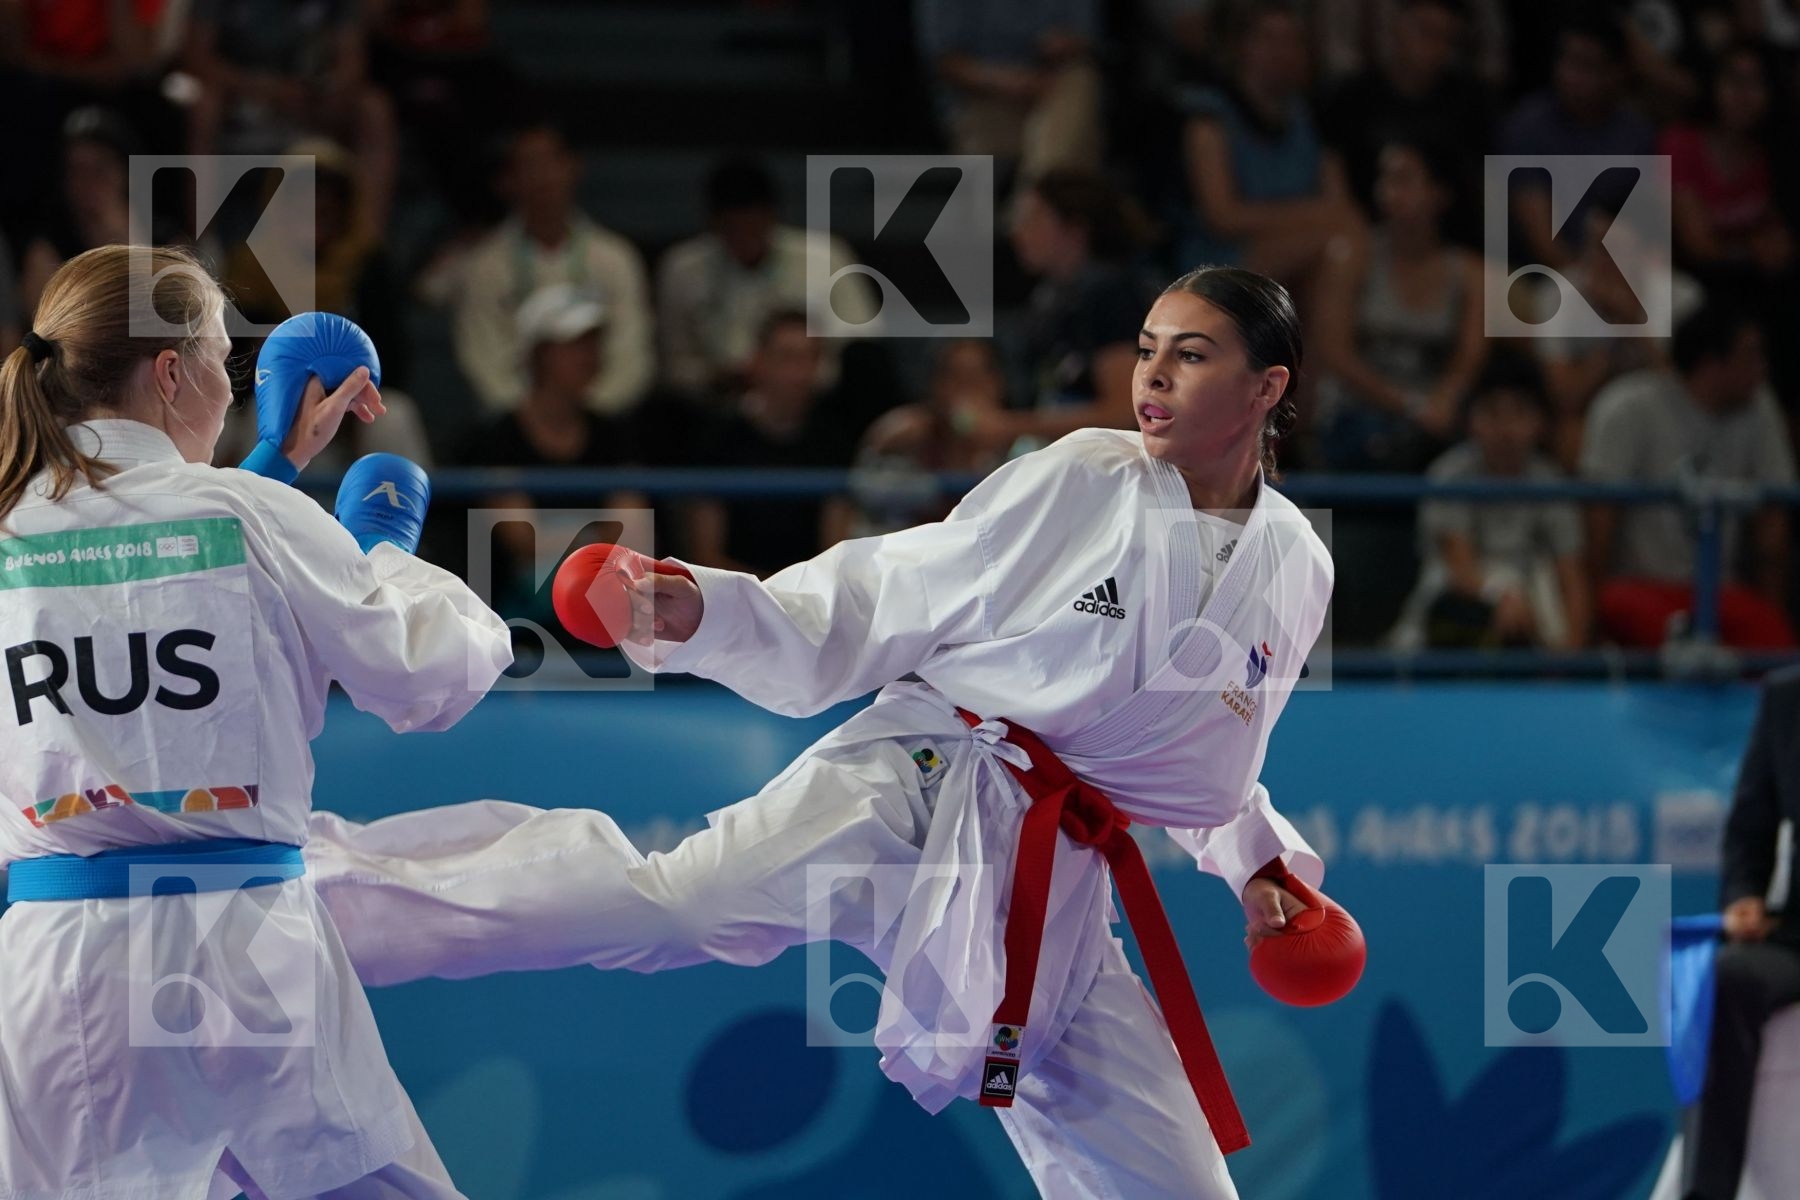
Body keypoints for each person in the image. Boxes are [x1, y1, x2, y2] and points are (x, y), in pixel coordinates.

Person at [300, 266, 1338, 1199]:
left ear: (1267, 388)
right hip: (916, 785)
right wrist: (698, 610)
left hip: (1051, 880)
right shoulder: (1086, 479)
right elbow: (896, 584)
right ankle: (326, 893)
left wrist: (1258, 865)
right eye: (1148, 348)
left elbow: (1199, 758)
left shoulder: (1295, 564)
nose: (1151, 376)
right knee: (677, 907)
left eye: (1190, 355)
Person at [0, 245, 512, 1197]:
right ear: (168, 372)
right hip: (242, 951)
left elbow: (145, 565)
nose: (233, 390)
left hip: (57, 965)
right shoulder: (246, 514)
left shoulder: (11, 526)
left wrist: (274, 469)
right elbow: (426, 679)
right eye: (222, 359)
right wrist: (384, 552)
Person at [1582, 302, 1796, 649]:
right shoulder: (1627, 408)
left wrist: (1773, 609)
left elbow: (1773, 532)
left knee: (1775, 644)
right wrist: (1590, 624)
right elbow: (1599, 526)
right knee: (1649, 626)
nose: (1763, 370)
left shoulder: (1759, 407)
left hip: (1720, 592)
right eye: (1751, 357)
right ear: (1711, 365)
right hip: (1642, 589)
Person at [1680, 663, 1800, 1200]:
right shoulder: (1786, 699)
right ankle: (1709, 1192)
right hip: (1794, 934)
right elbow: (1749, 829)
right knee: (1725, 979)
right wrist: (1743, 896)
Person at [449, 122, 656, 419]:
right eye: (529, 165)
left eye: (552, 161)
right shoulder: (484, 267)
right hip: (514, 427)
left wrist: (592, 414)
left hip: (604, 424)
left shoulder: (616, 258)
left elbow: (631, 356)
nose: (543, 176)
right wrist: (532, 419)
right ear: (507, 181)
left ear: (574, 167)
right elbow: (481, 361)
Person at [1389, 351, 1588, 651]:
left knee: (1545, 594)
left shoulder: (1552, 483)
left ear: (1540, 422)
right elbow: (1459, 564)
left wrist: (1571, 656)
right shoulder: (1449, 475)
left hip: (1530, 601)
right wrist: (1501, 596)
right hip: (1457, 599)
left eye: (1519, 412)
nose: (1506, 429)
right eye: (1493, 412)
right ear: (1471, 419)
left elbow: (1571, 575)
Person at [1312, 138, 1488, 472]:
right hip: (1355, 414)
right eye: (1386, 179)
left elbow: (1470, 354)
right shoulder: (1350, 257)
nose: (1388, 191)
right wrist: (1406, 404)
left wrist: (1444, 400)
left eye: (1404, 180)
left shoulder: (1468, 272)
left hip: (1432, 421)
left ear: (1439, 193)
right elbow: (1334, 351)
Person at [656, 156, 875, 407]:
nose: (745, 238)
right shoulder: (683, 269)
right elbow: (675, 364)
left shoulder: (825, 257)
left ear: (772, 216)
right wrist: (720, 377)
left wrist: (793, 374)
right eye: (733, 228)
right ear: (713, 224)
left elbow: (860, 344)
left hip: (816, 399)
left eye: (754, 225)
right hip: (721, 403)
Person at [1178, 0, 1363, 297]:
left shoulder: (1314, 116)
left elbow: (1339, 202)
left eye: (1292, 40)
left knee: (1346, 240)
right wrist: (1313, 215)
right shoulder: (1210, 120)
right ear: (1239, 47)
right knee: (1340, 240)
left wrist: (1317, 217)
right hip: (1223, 257)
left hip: (1300, 245)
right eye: (1268, 39)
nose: (1282, 51)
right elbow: (1223, 216)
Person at [987, 168, 1153, 457]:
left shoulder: (1110, 294)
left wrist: (1009, 426)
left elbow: (1123, 412)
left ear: (1075, 229)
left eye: (1033, 218)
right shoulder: (1047, 298)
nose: (1017, 231)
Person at [685, 309, 860, 577]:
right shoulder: (718, 440)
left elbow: (834, 552)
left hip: (807, 600)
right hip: (732, 598)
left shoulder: (833, 442)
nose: (800, 373)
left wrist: (795, 598)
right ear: (759, 361)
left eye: (810, 358)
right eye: (788, 357)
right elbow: (705, 556)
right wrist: (763, 594)